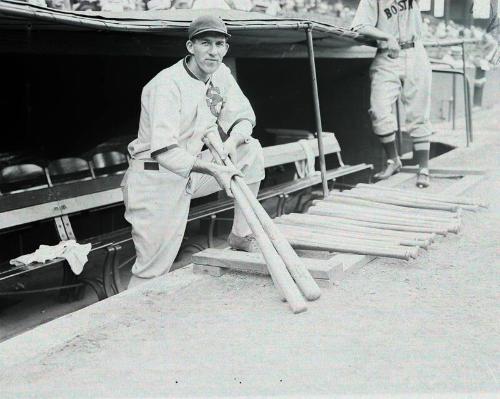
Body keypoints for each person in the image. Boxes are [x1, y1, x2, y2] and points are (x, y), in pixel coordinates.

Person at [123, 15, 265, 288]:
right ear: (191, 46)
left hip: (190, 171)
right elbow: (164, 151)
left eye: (220, 44)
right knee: (152, 270)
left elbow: (244, 117)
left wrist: (230, 144)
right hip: (154, 179)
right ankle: (131, 325)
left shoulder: (220, 73)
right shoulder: (166, 84)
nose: (213, 51)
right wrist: (215, 168)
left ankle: (240, 235)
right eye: (205, 43)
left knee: (251, 151)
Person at [351, 0, 432, 188]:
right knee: (378, 109)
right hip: (387, 54)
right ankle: (393, 160)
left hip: (415, 52)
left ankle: (424, 168)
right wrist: (387, 37)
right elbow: (359, 26)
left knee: (418, 112)